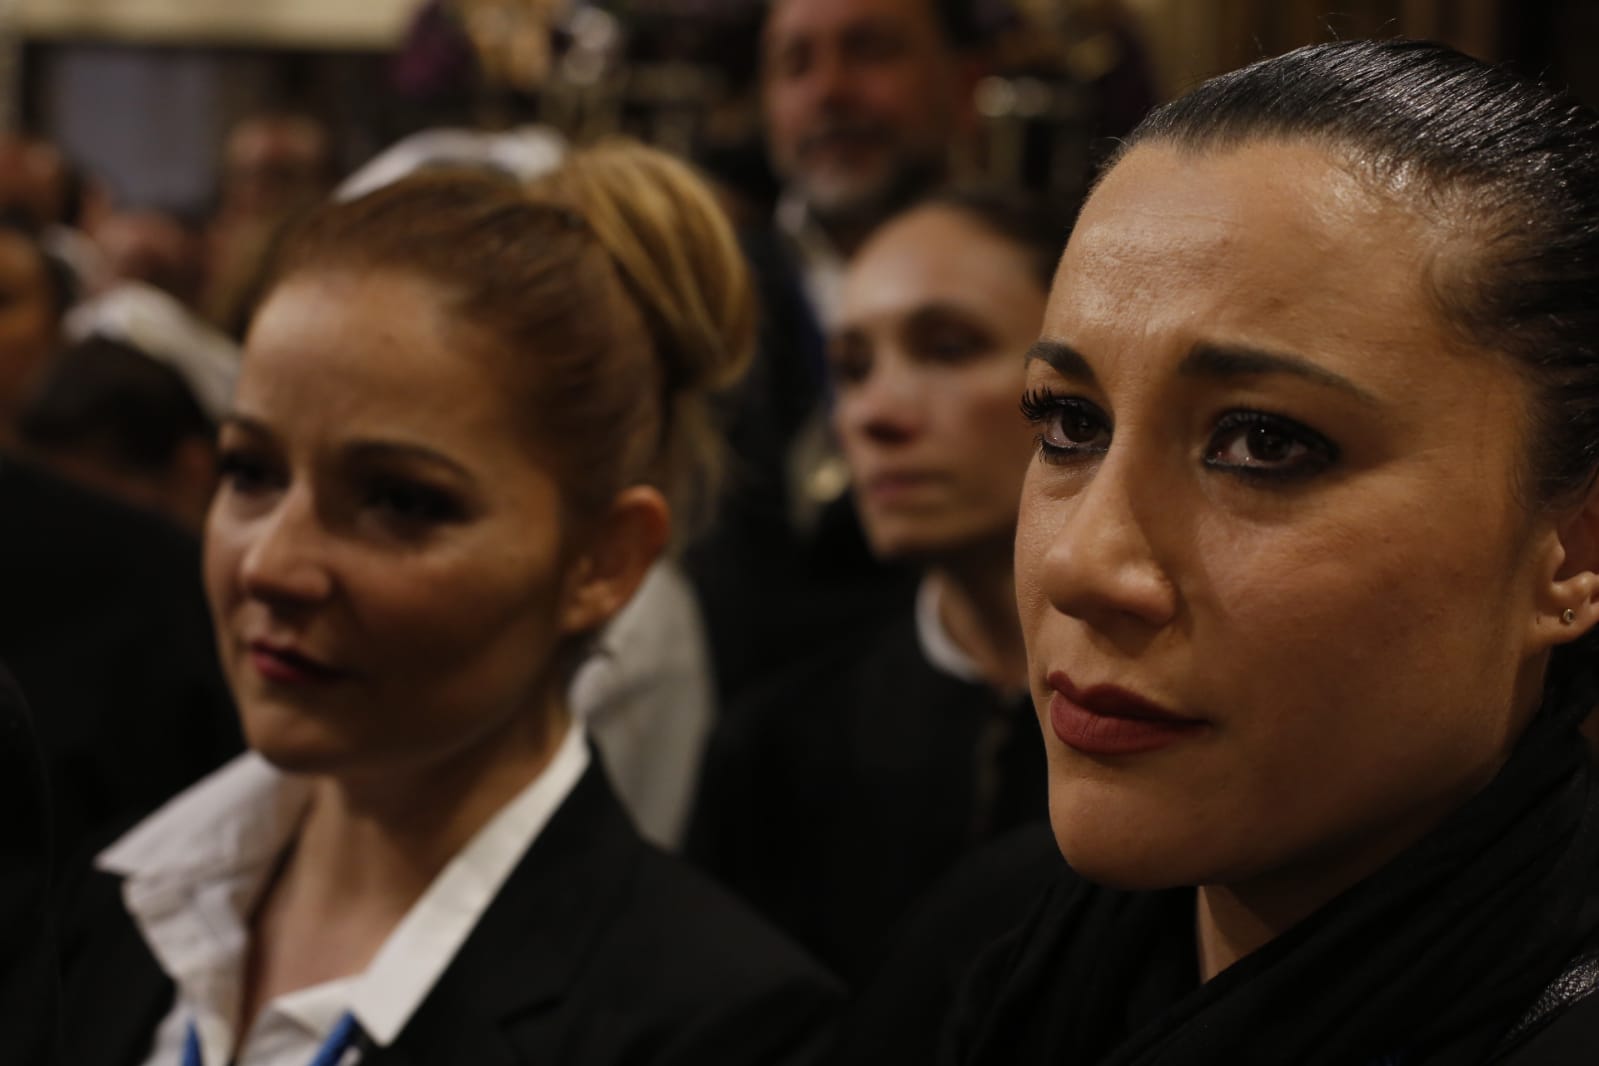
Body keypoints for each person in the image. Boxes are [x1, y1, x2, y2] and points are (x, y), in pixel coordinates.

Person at [888, 39, 1599, 1065]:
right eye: (1070, 425)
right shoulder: (981, 944)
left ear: (1572, 547)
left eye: (1263, 443)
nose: (1081, 565)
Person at [59, 142, 840, 1065]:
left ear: (603, 560)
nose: (272, 566)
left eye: (400, 500)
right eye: (251, 472)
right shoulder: (101, 911)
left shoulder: (724, 1031)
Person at [688, 190, 1067, 983]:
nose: (872, 415)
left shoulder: (1184, 729)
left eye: (948, 347)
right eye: (852, 368)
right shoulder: (770, 750)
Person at [685, 0, 986, 710]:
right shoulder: (698, 300)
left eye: (870, 50)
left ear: (964, 82)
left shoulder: (1059, 285)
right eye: (794, 64)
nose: (829, 91)